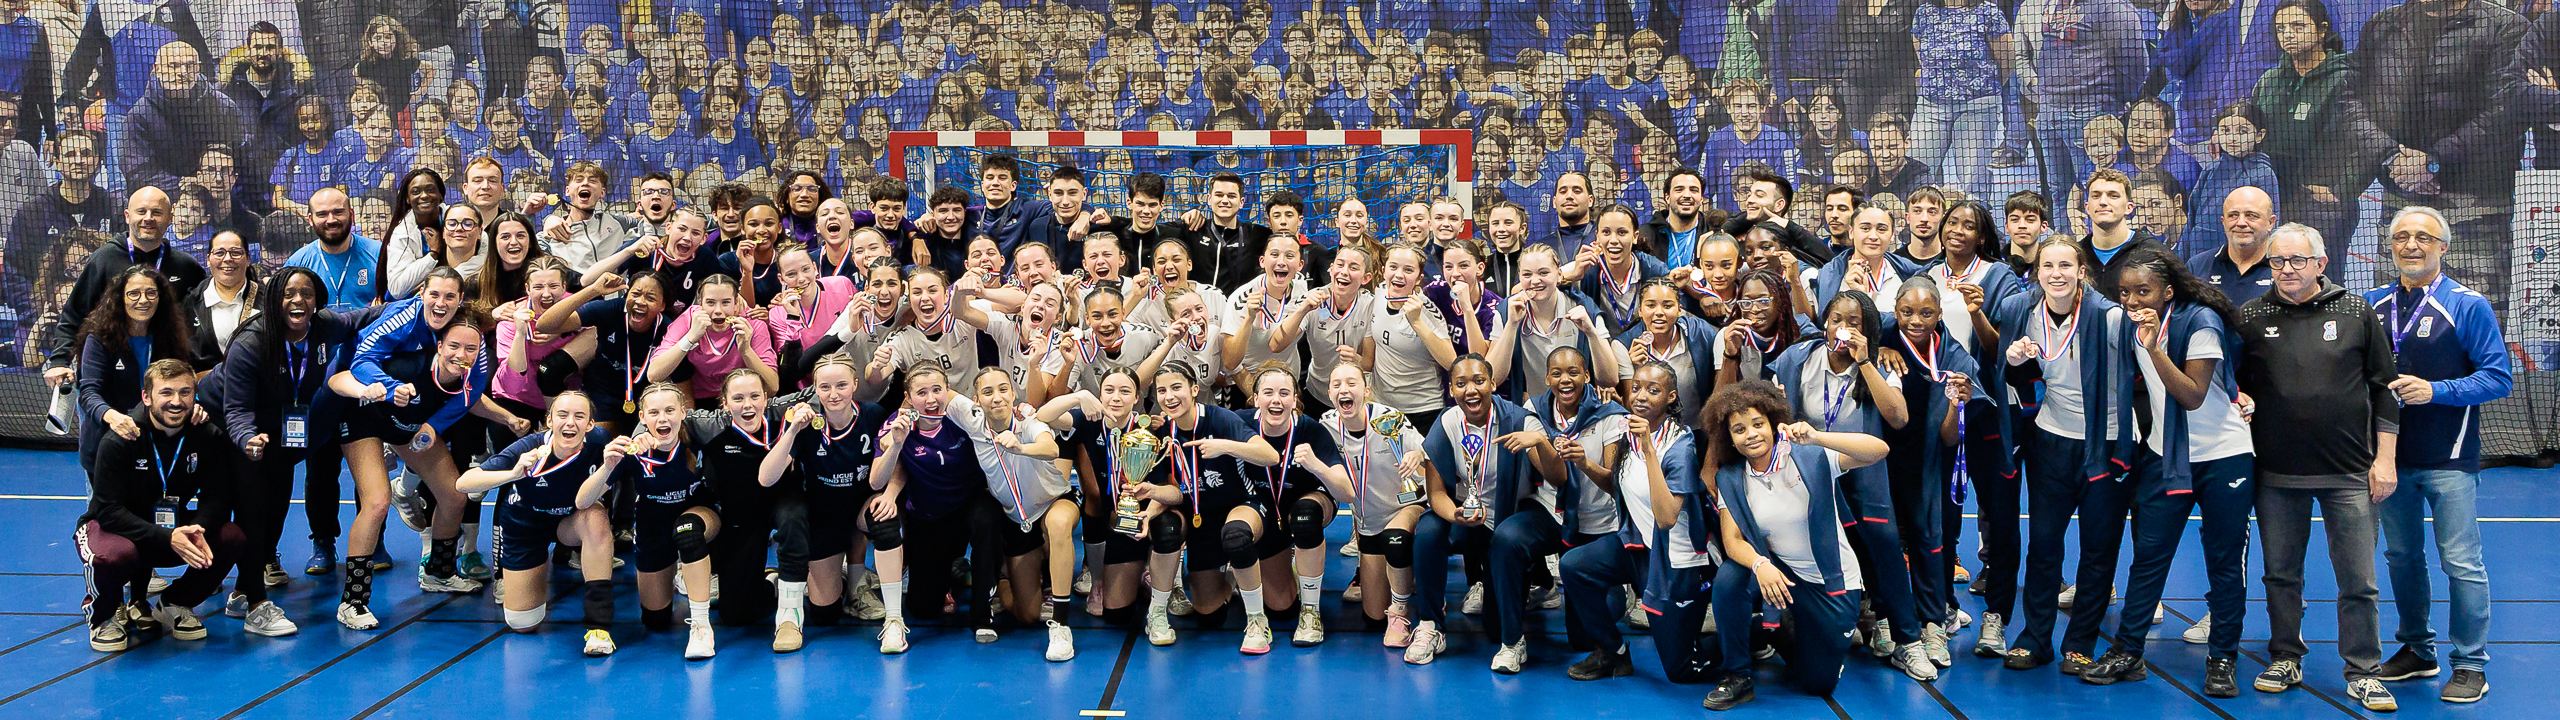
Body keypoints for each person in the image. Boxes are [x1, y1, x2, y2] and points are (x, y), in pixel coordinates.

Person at [2069, 248, 2255, 694]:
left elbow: (2191, 396)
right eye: (2124, 293)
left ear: (2168, 292)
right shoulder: (2131, 325)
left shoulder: (2200, 322)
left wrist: (2153, 348)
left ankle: (2223, 658)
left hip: (2223, 455)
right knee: (2148, 558)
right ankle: (2128, 652)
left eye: (2143, 292)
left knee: (2224, 561)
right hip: (2164, 455)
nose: (2132, 301)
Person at [2233, 222, 2400, 712]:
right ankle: (2286, 657)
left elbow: (2384, 390)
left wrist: (2384, 459)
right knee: (2281, 575)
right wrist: (2240, 399)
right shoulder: (2251, 315)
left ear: (2321, 264)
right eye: (2278, 261)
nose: (2286, 269)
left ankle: (2363, 671)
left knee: (2359, 581)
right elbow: (2232, 383)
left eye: (2297, 261)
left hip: (2349, 473)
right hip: (2276, 475)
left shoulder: (2355, 311)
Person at [2363, 207, 2509, 704]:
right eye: (2401, 236)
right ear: (2390, 246)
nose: (2412, 245)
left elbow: (2498, 378)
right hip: (2388, 460)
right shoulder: (2372, 304)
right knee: (2402, 557)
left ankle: (2470, 664)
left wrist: (2436, 390)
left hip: (2450, 459)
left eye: (2424, 237)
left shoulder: (2468, 305)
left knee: (2460, 562)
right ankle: (2416, 650)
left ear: (2443, 247)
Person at [1991, 235, 2135, 674]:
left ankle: (2080, 642)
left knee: (2098, 548)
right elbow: (2018, 382)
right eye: (2048, 266)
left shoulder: (2110, 318)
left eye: (2066, 266)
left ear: (2081, 272)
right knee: (2044, 544)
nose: (2057, 274)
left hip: (2105, 443)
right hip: (2051, 440)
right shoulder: (2022, 312)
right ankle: (2035, 639)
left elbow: (2142, 371)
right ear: (2037, 273)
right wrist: (2015, 363)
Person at [79, 359, 258, 652]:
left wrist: (197, 528)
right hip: (116, 528)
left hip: (170, 526)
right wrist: (168, 537)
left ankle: (175, 603)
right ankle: (103, 616)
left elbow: (216, 498)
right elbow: (108, 512)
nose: (176, 402)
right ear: (147, 397)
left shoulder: (207, 435)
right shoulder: (120, 439)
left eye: (185, 392)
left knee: (231, 537)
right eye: (166, 393)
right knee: (112, 557)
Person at [456, 392, 618, 656]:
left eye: (579, 416)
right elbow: (463, 483)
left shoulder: (599, 442)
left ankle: (598, 625)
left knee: (596, 518)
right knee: (522, 623)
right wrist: (512, 474)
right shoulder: (529, 447)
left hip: (569, 521)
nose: (570, 422)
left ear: (590, 424)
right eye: (563, 415)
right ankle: (533, 572)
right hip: (525, 526)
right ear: (549, 421)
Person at [760, 356, 897, 653]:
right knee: (824, 614)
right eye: (825, 387)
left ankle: (876, 600)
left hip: (860, 507)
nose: (833, 394)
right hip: (823, 515)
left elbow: (891, 465)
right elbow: (766, 478)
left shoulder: (873, 415)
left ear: (855, 385)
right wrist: (792, 430)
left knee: (886, 519)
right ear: (815, 389)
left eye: (841, 385)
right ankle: (828, 576)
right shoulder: (805, 422)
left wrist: (889, 492)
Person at [947, 368, 1078, 661]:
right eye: (988, 392)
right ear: (976, 400)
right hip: (1018, 520)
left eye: (1003, 389)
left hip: (1053, 502)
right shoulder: (971, 419)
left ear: (1013, 393)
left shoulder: (1028, 422)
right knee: (1028, 615)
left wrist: (1021, 448)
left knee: (1058, 524)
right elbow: (937, 388)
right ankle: (1004, 579)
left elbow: (1050, 448)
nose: (997, 398)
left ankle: (1061, 625)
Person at [599, 383, 725, 659]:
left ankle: (701, 626)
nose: (663, 418)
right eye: (654, 412)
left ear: (683, 412)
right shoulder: (632, 450)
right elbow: (583, 499)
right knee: (655, 621)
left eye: (670, 410)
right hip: (652, 524)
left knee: (687, 531)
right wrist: (607, 465)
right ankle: (682, 573)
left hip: (698, 515)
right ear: (642, 417)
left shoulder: (698, 436)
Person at [1317, 363, 1436, 651]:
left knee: (1395, 540)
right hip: (1368, 522)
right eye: (1336, 385)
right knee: (1372, 616)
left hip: (1406, 506)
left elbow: (1428, 452)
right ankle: (1405, 576)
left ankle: (1401, 611)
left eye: (1352, 383)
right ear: (1329, 393)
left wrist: (1417, 455)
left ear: (1366, 390)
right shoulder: (1326, 425)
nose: (1344, 389)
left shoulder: (1391, 419)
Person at [45, 188, 207, 394]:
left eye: (157, 213)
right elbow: (74, 314)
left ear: (170, 218)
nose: (148, 218)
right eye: (141, 211)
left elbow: (201, 322)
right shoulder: (104, 259)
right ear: (127, 216)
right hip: (109, 377)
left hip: (166, 382)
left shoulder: (187, 267)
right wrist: (60, 361)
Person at [645, 274, 778, 406]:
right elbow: (653, 375)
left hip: (741, 398)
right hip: (698, 398)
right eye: (710, 303)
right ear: (700, 304)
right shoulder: (689, 320)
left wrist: (746, 351)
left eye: (725, 302)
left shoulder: (752, 324)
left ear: (736, 304)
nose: (718, 310)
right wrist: (690, 338)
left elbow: (772, 388)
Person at [2077, 169, 2174, 296]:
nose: (2103, 202)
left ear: (2129, 208)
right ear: (2087, 207)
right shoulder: (2076, 255)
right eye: (2096, 196)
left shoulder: (2154, 252)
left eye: (2113, 196)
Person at [286, 188, 385, 310]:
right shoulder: (297, 263)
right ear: (310, 219)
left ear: (351, 215)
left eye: (338, 212)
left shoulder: (380, 255)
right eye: (322, 214)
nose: (331, 220)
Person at [2187, 186, 2278, 305]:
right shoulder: (2197, 267)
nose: (2241, 223)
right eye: (2233, 215)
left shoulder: (2286, 267)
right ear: (2223, 222)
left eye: (2251, 215)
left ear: (2270, 222)